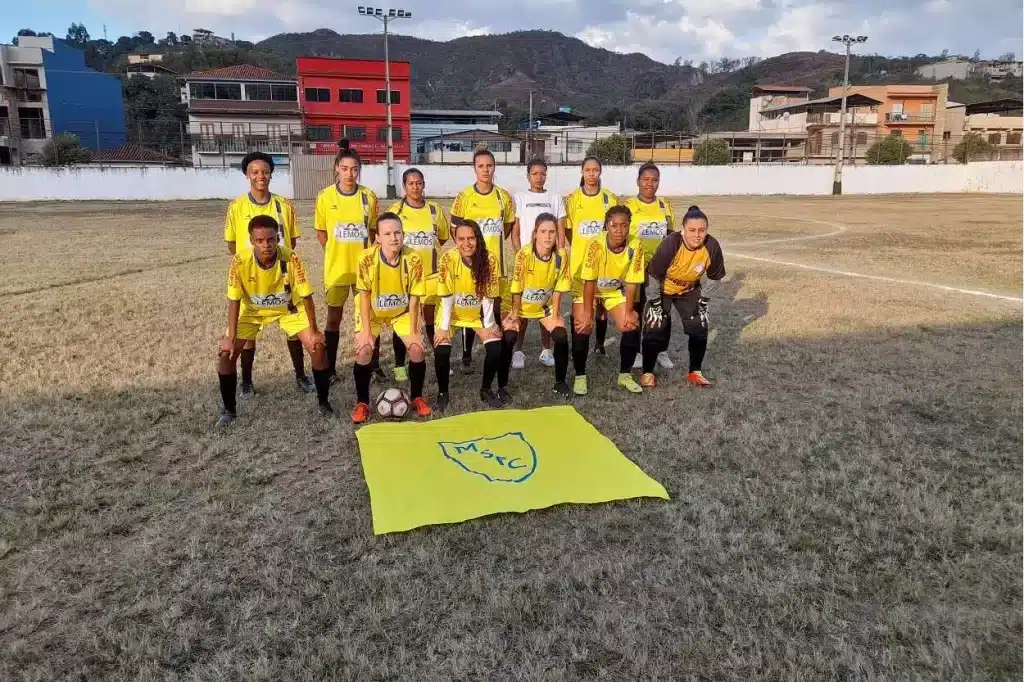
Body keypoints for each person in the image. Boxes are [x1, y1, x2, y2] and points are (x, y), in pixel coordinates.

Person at [216, 215, 333, 427]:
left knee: (318, 347)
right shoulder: (240, 261)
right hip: (252, 312)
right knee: (226, 355)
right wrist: (230, 338)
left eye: (270, 239)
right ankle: (229, 411)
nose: (266, 245)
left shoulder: (291, 258)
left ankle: (324, 404)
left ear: (277, 238)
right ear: (251, 241)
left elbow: (306, 297)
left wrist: (315, 331)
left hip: (288, 309)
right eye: (260, 241)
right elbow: (233, 301)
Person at [222, 151, 312, 397]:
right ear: (247, 175)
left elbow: (291, 240)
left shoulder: (284, 205)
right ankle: (247, 382)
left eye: (265, 171)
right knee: (248, 332)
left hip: (282, 275)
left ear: (271, 174)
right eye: (255, 172)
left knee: (294, 328)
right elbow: (232, 244)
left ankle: (301, 376)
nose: (260, 176)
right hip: (251, 279)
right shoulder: (237, 207)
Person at [350, 212, 432, 423]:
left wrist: (414, 331)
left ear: (403, 234)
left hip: (401, 312)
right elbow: (364, 297)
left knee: (416, 349)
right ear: (377, 237)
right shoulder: (366, 259)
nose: (393, 237)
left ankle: (416, 398)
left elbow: (415, 298)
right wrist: (366, 332)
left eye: (397, 232)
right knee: (364, 350)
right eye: (387, 234)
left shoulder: (413, 258)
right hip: (373, 313)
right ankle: (362, 403)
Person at [315, 140, 379, 385]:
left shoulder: (368, 197)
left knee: (368, 318)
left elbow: (373, 232)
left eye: (354, 169)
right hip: (337, 269)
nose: (349, 174)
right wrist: (335, 252)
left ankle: (373, 365)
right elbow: (322, 233)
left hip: (364, 271)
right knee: (334, 318)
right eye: (344, 168)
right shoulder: (325, 197)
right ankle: (330, 368)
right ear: (336, 169)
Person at [641, 205, 725, 389]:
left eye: (702, 230)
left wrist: (703, 300)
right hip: (662, 289)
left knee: (700, 326)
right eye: (692, 230)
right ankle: (647, 372)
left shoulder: (711, 246)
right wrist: (655, 304)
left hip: (688, 290)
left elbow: (716, 277)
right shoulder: (672, 243)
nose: (697, 235)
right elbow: (653, 276)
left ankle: (695, 371)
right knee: (655, 325)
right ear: (683, 230)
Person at [449, 149, 515, 374]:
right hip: (471, 264)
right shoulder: (464, 196)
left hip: (496, 265)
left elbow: (506, 228)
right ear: (474, 168)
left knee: (494, 308)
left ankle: (493, 350)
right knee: (471, 307)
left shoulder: (503, 197)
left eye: (489, 166)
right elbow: (454, 228)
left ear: (494, 167)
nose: (486, 170)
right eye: (481, 166)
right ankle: (467, 355)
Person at [570, 205, 645, 396]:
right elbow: (589, 280)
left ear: (629, 226)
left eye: (624, 226)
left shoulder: (636, 245)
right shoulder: (595, 244)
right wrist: (587, 312)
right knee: (582, 325)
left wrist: (629, 311)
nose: (619, 230)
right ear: (606, 226)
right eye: (614, 226)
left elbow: (632, 282)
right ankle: (580, 376)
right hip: (589, 288)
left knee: (630, 325)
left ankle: (625, 375)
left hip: (613, 290)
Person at [385, 167, 451, 382]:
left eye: (419, 183)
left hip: (432, 275)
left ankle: (437, 358)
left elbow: (441, 238)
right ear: (404, 186)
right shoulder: (396, 211)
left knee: (432, 320)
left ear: (424, 185)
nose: (415, 187)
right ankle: (399, 365)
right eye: (411, 183)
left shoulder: (434, 210)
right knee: (403, 321)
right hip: (405, 277)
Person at [434, 219, 504, 411]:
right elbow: (446, 296)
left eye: (471, 238)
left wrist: (489, 325)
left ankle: (486, 389)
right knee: (441, 347)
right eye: (461, 239)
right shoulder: (448, 259)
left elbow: (489, 297)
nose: (466, 243)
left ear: (478, 239)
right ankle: (443, 393)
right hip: (452, 313)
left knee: (495, 346)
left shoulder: (490, 260)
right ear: (455, 240)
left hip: (476, 315)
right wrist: (443, 328)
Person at [503, 213, 573, 399]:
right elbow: (516, 289)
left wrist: (556, 315)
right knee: (509, 336)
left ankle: (560, 382)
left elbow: (558, 289)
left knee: (561, 335)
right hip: (521, 305)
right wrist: (516, 316)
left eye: (552, 232)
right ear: (535, 234)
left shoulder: (561, 255)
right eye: (543, 231)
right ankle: (502, 386)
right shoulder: (524, 255)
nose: (548, 236)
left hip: (544, 306)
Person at [510, 159, 567, 371]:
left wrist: (559, 254)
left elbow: (560, 229)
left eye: (543, 173)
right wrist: (519, 255)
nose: (539, 177)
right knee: (524, 307)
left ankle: (546, 350)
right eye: (535, 173)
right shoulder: (520, 198)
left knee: (545, 305)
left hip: (549, 261)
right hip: (527, 261)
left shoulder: (555, 197)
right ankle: (518, 351)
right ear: (528, 176)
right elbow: (515, 231)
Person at [624, 163, 677, 371]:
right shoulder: (628, 205)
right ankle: (637, 351)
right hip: (636, 267)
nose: (650, 184)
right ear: (638, 181)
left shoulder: (664, 205)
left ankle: (661, 350)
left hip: (661, 267)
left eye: (654, 180)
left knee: (662, 309)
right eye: (646, 179)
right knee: (637, 308)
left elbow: (672, 235)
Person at [564, 156, 619, 357]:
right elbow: (569, 231)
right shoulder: (572, 199)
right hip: (580, 264)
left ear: (600, 172)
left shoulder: (609, 198)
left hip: (605, 263)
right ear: (582, 172)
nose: (591, 174)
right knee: (578, 303)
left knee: (602, 306)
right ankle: (576, 343)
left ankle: (600, 343)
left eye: (595, 170)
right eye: (588, 170)